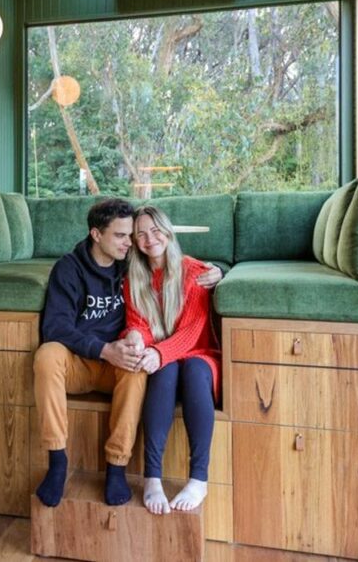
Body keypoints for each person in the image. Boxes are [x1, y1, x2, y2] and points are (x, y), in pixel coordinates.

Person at [34, 198, 146, 507]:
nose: (129, 242)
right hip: (79, 364)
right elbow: (55, 328)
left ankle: (117, 466)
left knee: (137, 367)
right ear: (97, 235)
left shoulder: (132, 262)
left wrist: (214, 271)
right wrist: (103, 349)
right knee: (47, 354)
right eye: (120, 235)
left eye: (130, 235)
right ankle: (57, 461)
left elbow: (174, 261)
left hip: (116, 367)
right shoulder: (68, 269)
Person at [122, 205, 222, 515]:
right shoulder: (133, 279)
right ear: (136, 242)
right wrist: (137, 339)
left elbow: (193, 331)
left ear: (167, 231)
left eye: (154, 230)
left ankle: (198, 479)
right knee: (164, 374)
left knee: (191, 370)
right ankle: (152, 477)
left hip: (199, 354)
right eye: (141, 234)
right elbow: (137, 322)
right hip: (162, 358)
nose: (149, 238)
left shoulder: (194, 272)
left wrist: (159, 352)